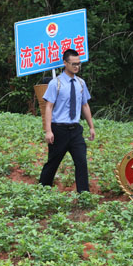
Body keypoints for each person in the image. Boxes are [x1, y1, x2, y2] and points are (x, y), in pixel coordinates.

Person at [38, 49, 96, 193]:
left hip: (75, 129)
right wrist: (48, 130)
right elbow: (49, 107)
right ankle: (42, 190)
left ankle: (84, 194)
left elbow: (85, 105)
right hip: (59, 130)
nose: (76, 67)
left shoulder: (81, 83)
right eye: (73, 64)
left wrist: (91, 127)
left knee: (81, 161)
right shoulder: (55, 83)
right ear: (65, 63)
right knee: (53, 162)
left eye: (79, 64)